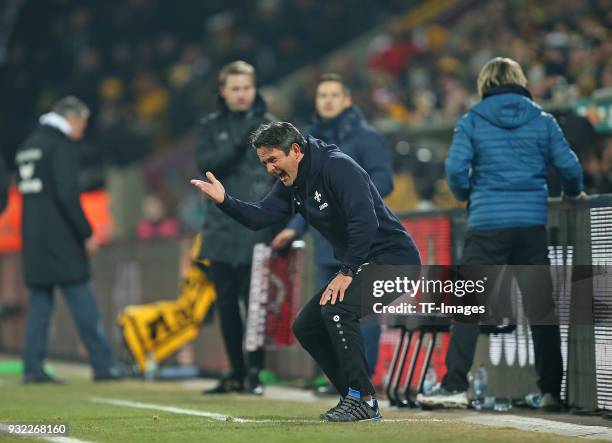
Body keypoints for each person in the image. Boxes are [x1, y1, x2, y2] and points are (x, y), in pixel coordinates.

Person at [191, 122, 421, 422]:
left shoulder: (337, 167)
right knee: (307, 327)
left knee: (337, 310)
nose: (270, 168)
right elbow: (260, 217)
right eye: (265, 163)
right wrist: (225, 201)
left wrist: (348, 270)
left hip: (396, 263)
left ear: (296, 150)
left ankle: (363, 399)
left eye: (273, 159)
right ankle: (353, 398)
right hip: (366, 263)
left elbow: (365, 222)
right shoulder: (294, 182)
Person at [417, 57, 584, 410]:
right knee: (541, 309)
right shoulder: (543, 119)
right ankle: (552, 391)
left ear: (485, 84)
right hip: (531, 226)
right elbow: (569, 165)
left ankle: (455, 386)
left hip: (487, 224)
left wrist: (466, 195)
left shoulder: (473, 120)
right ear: (521, 81)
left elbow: (455, 169)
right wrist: (573, 191)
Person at [271, 73, 393, 390]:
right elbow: (304, 195)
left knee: (360, 313)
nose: (327, 100)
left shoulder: (367, 138)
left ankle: (364, 381)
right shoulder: (306, 141)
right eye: (322, 95)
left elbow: (385, 181)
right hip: (326, 243)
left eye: (334, 95)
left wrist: (349, 203)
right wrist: (294, 227)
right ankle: (341, 378)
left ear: (347, 100)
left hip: (361, 241)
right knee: (328, 312)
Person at [16, 96, 122, 383]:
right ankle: (104, 365)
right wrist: (86, 233)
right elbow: (66, 194)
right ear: (72, 119)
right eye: (83, 124)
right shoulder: (60, 146)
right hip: (61, 239)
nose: (82, 131)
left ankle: (32, 367)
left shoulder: (29, 145)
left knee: (39, 304)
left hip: (33, 237)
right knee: (82, 299)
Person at [196, 61, 279, 395]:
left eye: (247, 87)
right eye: (236, 89)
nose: (243, 94)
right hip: (219, 226)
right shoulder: (209, 125)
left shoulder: (273, 125)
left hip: (257, 225)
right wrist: (242, 141)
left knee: (256, 302)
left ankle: (255, 374)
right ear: (223, 91)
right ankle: (235, 371)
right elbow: (207, 164)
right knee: (227, 304)